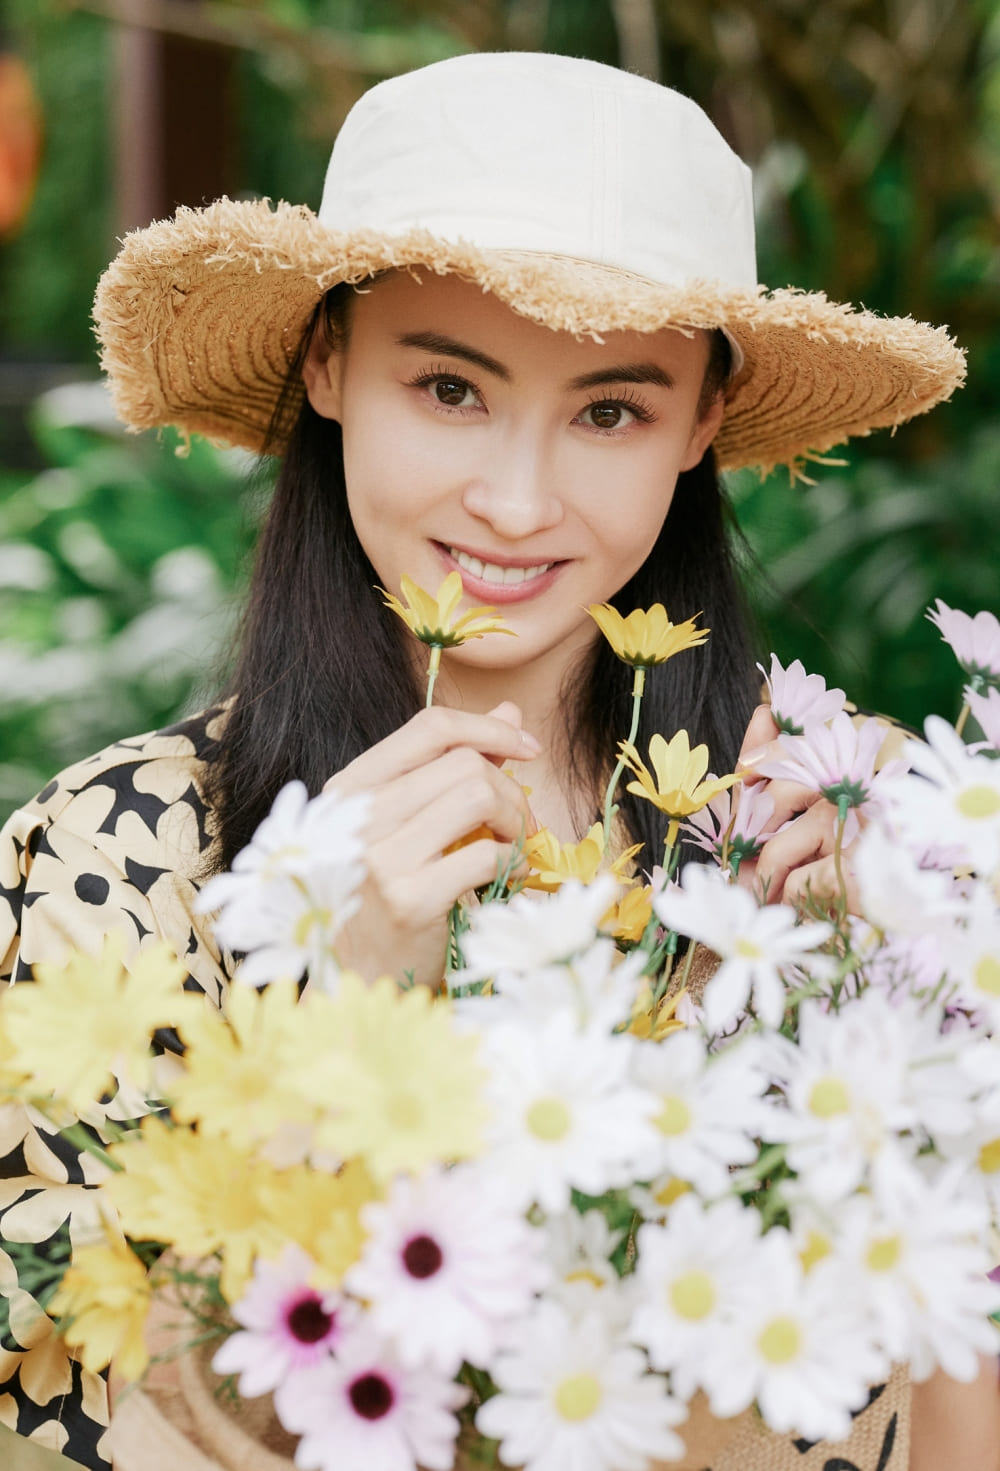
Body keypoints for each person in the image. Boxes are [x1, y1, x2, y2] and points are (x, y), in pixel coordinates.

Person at [0, 49, 993, 1471]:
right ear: (325, 361)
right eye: (451, 388)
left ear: (704, 419)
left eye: (611, 410)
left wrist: (926, 1004)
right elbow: (67, 1421)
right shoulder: (110, 875)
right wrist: (340, 1039)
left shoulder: (841, 860)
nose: (516, 502)